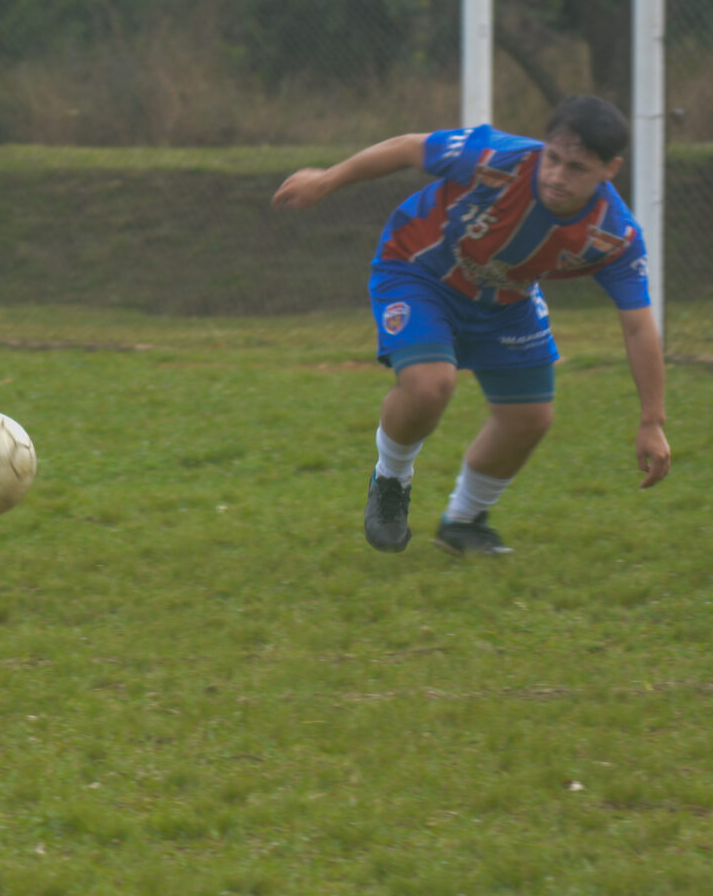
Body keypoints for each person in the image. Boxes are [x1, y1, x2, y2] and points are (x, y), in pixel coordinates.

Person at [272, 97, 671, 557]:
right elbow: (408, 147)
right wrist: (325, 180)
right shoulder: (495, 156)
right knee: (429, 386)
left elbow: (638, 327)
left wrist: (652, 420)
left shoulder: (615, 235)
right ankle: (391, 480)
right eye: (554, 158)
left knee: (529, 419)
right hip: (420, 269)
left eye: (577, 168)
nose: (558, 176)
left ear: (610, 169)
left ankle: (463, 523)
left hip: (506, 299)